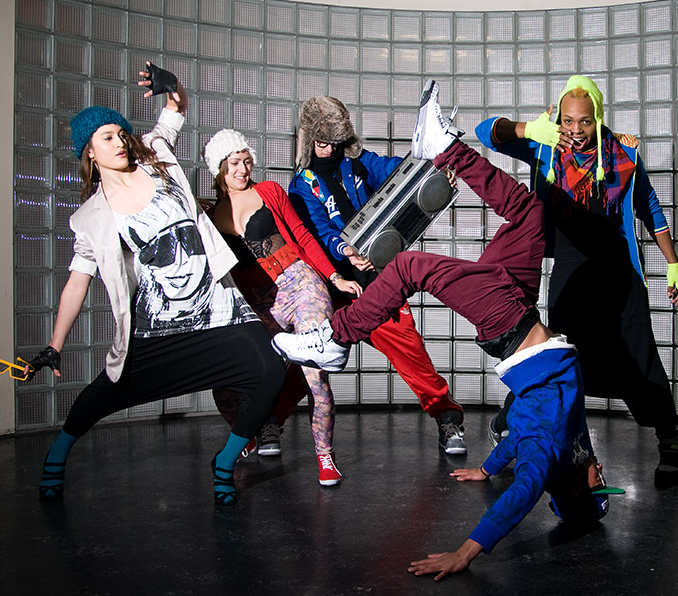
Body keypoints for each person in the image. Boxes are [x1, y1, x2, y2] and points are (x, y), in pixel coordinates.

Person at [274, 81, 613, 580]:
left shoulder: (551, 454)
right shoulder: (574, 444)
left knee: (412, 266)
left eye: (598, 485)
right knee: (531, 211)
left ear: (579, 490)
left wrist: (467, 553)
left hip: (507, 323)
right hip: (521, 303)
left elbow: (521, 495)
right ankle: (443, 149)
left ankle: (334, 338)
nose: (602, 474)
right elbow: (514, 441)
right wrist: (488, 468)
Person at [25, 63, 286, 505]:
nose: (119, 141)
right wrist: (54, 345)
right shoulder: (90, 218)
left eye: (120, 133)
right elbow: (77, 283)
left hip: (217, 308)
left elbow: (175, 106)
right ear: (88, 152)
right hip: (155, 328)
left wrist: (172, 85)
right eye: (106, 137)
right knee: (100, 397)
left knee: (271, 369)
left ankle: (225, 460)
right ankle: (58, 454)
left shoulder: (158, 156)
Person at [475, 74, 678, 484]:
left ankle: (670, 443)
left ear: (597, 117)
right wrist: (527, 129)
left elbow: (650, 209)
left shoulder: (624, 153)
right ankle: (511, 423)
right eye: (568, 121)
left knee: (638, 354)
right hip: (572, 266)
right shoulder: (545, 145)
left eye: (584, 122)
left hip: (617, 266)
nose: (575, 130)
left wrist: (672, 263)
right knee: (556, 352)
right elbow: (487, 133)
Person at [287, 95, 467, 454]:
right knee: (304, 359)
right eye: (320, 142)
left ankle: (447, 419)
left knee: (410, 350)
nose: (327, 149)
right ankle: (268, 424)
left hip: (376, 284)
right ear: (308, 140)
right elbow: (319, 232)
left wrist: (435, 171)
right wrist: (345, 254)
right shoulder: (301, 185)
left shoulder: (360, 163)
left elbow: (399, 170)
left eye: (334, 143)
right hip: (332, 286)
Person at [202, 128, 362, 486]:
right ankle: (249, 437)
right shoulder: (211, 217)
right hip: (261, 304)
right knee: (225, 386)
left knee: (315, 374)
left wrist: (334, 278)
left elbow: (303, 235)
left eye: (246, 161)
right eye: (233, 164)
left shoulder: (269, 192)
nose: (243, 169)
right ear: (219, 170)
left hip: (301, 283)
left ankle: (325, 455)